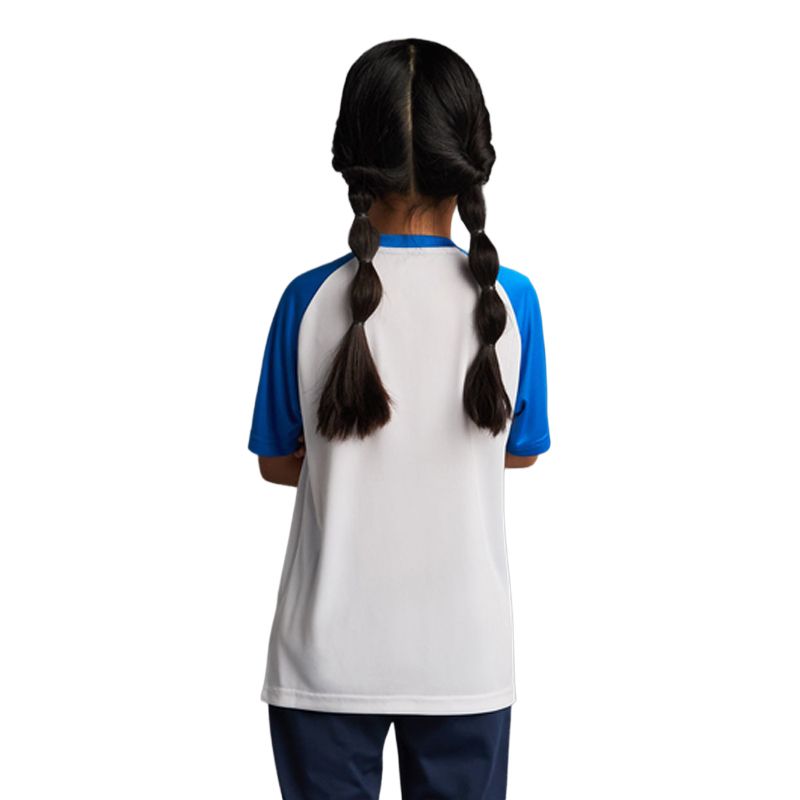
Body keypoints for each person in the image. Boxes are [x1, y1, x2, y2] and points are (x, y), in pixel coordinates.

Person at [248, 37, 551, 800]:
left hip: (323, 661)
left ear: (351, 156)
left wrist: (350, 464)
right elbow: (519, 452)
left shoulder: (305, 300)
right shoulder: (512, 301)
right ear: (473, 157)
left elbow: (276, 461)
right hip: (466, 660)